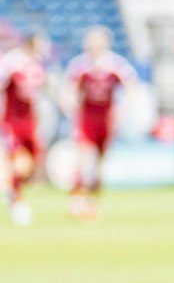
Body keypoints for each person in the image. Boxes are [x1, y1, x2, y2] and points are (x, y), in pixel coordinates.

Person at [62, 26, 139, 220]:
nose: (95, 46)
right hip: (86, 119)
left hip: (106, 121)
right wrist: (69, 104)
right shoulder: (79, 65)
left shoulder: (116, 65)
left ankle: (92, 201)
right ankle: (76, 198)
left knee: (99, 164)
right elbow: (68, 88)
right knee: (81, 158)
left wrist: (122, 109)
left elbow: (132, 87)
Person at [2, 30, 52, 226]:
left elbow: (37, 94)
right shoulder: (10, 62)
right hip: (11, 120)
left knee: (33, 161)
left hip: (30, 121)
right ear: (31, 44)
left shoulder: (37, 65)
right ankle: (16, 198)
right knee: (17, 160)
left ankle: (12, 189)